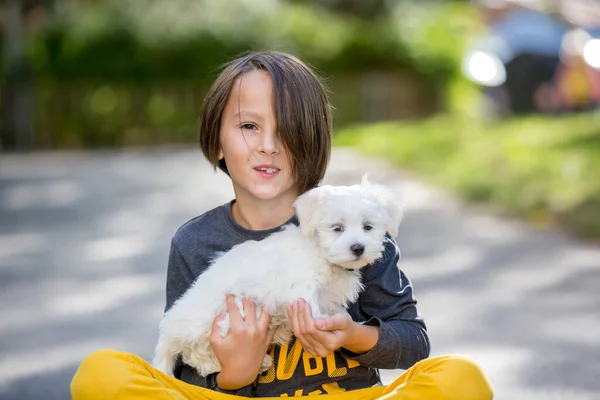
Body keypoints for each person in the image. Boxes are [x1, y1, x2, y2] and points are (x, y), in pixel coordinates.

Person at [70, 51, 493, 400]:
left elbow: (413, 342)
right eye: (249, 126)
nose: (268, 145)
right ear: (217, 142)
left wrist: (353, 335)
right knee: (100, 375)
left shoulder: (355, 231)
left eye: (286, 129)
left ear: (311, 140)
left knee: (459, 379)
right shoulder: (195, 242)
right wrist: (235, 373)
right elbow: (183, 376)